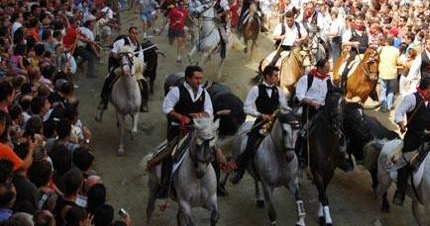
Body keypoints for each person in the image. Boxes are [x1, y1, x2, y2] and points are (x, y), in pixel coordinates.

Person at [160, 65, 225, 196]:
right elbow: (166, 108)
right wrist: (180, 116)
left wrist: (200, 115)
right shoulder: (176, 91)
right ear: (188, 78)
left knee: (213, 154)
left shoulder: (203, 93)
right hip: (179, 129)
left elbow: (209, 111)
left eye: (200, 78)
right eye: (196, 78)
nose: (199, 81)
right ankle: (164, 185)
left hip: (198, 130)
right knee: (170, 154)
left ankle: (216, 185)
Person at [230, 65, 289, 184]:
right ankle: (239, 171)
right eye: (275, 76)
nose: (278, 78)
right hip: (261, 123)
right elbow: (246, 108)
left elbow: (284, 107)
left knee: (290, 141)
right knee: (249, 146)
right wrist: (260, 115)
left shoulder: (279, 91)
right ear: (267, 76)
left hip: (276, 123)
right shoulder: (256, 90)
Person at [392, 76, 430, 206]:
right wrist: (401, 123)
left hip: (429, 138)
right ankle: (400, 191)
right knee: (406, 161)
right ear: (428, 88)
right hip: (414, 137)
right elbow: (399, 111)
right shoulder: (412, 98)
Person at [98, 27, 148, 114]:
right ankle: (104, 100)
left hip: (132, 69)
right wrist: (118, 56)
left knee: (144, 82)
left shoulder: (138, 46)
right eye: (133, 33)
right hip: (119, 66)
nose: (134, 35)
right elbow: (113, 52)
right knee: (109, 79)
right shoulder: (121, 41)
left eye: (136, 33)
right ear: (129, 33)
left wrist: (139, 66)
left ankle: (143, 103)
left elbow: (141, 60)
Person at [340, 14, 369, 88]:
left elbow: (370, 41)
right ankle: (342, 85)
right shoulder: (350, 31)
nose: (359, 24)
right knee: (347, 67)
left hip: (366, 52)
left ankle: (373, 90)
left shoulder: (366, 30)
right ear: (355, 22)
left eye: (360, 23)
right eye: (357, 22)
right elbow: (343, 43)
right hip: (355, 52)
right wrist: (352, 43)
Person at [378, 35, 400, 113]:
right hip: (392, 73)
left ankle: (384, 107)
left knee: (383, 89)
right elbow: (398, 61)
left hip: (383, 72)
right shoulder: (396, 51)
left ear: (386, 42)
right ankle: (389, 105)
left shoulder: (381, 49)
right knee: (390, 90)